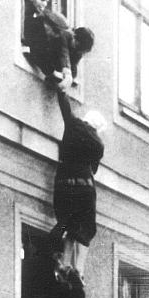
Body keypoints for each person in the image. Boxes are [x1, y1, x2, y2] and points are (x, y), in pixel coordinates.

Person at [46, 84, 107, 266]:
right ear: (97, 128)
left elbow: (65, 106)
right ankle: (78, 270)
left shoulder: (72, 124)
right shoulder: (98, 144)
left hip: (63, 183)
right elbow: (93, 169)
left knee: (66, 222)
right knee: (85, 228)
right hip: (85, 187)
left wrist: (61, 89)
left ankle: (64, 264)